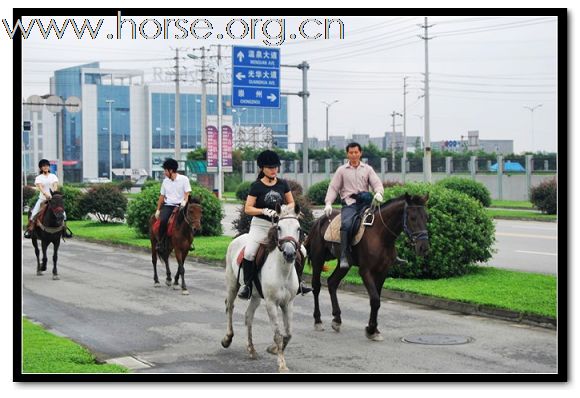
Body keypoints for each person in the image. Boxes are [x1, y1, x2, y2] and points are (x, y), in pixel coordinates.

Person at [238, 149, 312, 300]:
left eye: (275, 167)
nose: (273, 170)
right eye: (270, 167)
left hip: (279, 227)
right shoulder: (256, 186)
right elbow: (248, 208)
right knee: (250, 252)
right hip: (260, 226)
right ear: (262, 169)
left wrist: (285, 209)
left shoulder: (283, 184)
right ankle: (247, 285)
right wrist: (264, 210)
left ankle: (299, 281)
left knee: (302, 251)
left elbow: (291, 202)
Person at [324, 143, 384, 268]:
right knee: (346, 225)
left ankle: (389, 253)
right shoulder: (341, 170)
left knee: (383, 221)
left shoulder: (367, 169)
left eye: (356, 152)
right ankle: (344, 255)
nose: (354, 155)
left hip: (366, 204)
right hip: (350, 205)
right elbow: (334, 188)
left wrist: (379, 192)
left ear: (360, 153)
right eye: (351, 153)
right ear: (347, 154)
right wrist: (328, 203)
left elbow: (376, 183)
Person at [24, 159, 72, 239]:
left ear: (49, 167)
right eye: (43, 166)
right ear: (41, 168)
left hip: (53, 200)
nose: (45, 167)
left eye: (47, 166)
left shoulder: (53, 176)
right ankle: (30, 230)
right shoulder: (39, 178)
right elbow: (40, 188)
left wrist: (54, 194)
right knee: (33, 214)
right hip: (42, 199)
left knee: (64, 214)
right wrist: (46, 194)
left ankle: (64, 230)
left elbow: (55, 186)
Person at [154, 158, 191, 253]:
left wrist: (184, 202)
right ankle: (161, 242)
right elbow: (162, 196)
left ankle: (189, 242)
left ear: (171, 170)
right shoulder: (165, 181)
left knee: (189, 221)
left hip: (181, 205)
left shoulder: (184, 179)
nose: (164, 173)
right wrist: (158, 210)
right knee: (163, 221)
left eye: (165, 170)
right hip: (169, 205)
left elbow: (187, 193)